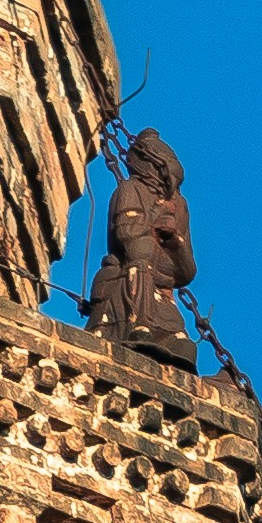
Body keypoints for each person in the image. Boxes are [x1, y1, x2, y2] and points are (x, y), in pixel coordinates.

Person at [87, 124, 200, 363]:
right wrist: (153, 225)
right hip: (132, 277)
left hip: (163, 289)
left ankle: (167, 338)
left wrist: (174, 242)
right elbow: (128, 236)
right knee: (142, 250)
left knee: (181, 341)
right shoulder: (130, 189)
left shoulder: (180, 205)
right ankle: (139, 323)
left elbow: (187, 272)